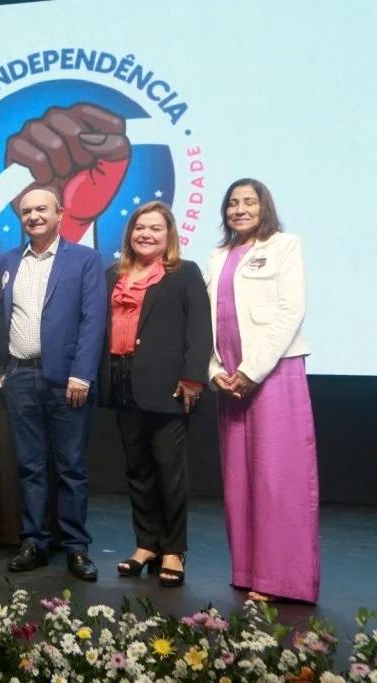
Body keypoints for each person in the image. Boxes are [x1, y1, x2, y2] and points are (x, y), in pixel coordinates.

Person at [206, 178, 318, 603]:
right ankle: (248, 570)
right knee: (239, 478)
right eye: (232, 203)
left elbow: (291, 310)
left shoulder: (285, 246)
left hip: (273, 372)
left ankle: (280, 579)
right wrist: (215, 369)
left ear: (264, 206)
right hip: (231, 379)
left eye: (248, 202)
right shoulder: (218, 255)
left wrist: (252, 370)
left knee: (277, 476)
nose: (239, 209)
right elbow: (209, 320)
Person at [0, 188, 107, 581]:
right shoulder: (7, 261)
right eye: (26, 211)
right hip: (20, 377)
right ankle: (34, 541)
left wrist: (82, 373)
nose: (33, 216)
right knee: (29, 466)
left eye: (41, 209)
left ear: (60, 213)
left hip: (67, 379)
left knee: (71, 467)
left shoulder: (85, 259)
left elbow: (93, 320)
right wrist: (3, 370)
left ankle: (76, 547)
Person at [99, 201, 211, 587]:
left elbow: (199, 329)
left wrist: (193, 377)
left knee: (169, 470)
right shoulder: (113, 274)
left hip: (168, 386)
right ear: (130, 233)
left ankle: (173, 549)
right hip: (121, 380)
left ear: (169, 235)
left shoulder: (184, 273)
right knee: (138, 469)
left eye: (155, 229)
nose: (146, 234)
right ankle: (146, 544)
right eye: (140, 228)